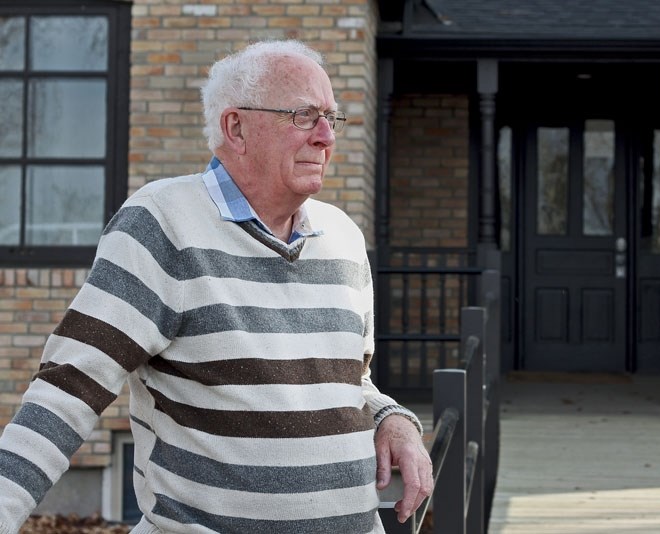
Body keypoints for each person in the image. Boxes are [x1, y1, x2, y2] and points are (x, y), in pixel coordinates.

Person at [0, 39, 433, 534]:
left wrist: (393, 420)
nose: (324, 137)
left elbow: (345, 381)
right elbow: (68, 388)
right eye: (303, 116)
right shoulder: (163, 224)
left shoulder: (343, 240)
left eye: (331, 119)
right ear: (236, 128)